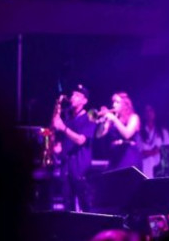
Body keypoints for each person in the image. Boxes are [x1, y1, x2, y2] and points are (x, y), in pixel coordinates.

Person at [51, 83, 96, 211]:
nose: (73, 97)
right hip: (66, 167)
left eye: (77, 95)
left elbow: (81, 140)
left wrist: (63, 128)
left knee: (85, 205)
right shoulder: (68, 118)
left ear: (84, 101)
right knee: (67, 205)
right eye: (73, 95)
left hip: (81, 167)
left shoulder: (90, 117)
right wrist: (56, 148)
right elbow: (63, 142)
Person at [96, 92, 142, 171]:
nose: (114, 105)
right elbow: (99, 135)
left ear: (125, 104)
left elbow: (127, 134)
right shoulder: (114, 119)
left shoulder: (133, 117)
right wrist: (104, 121)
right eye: (113, 102)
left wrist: (114, 119)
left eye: (117, 102)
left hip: (128, 155)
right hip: (115, 156)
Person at [138, 104, 169, 178]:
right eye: (146, 111)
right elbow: (139, 152)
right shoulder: (139, 133)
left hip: (161, 170)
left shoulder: (163, 132)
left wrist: (159, 151)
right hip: (143, 169)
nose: (148, 113)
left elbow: (168, 150)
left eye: (151, 110)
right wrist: (153, 152)